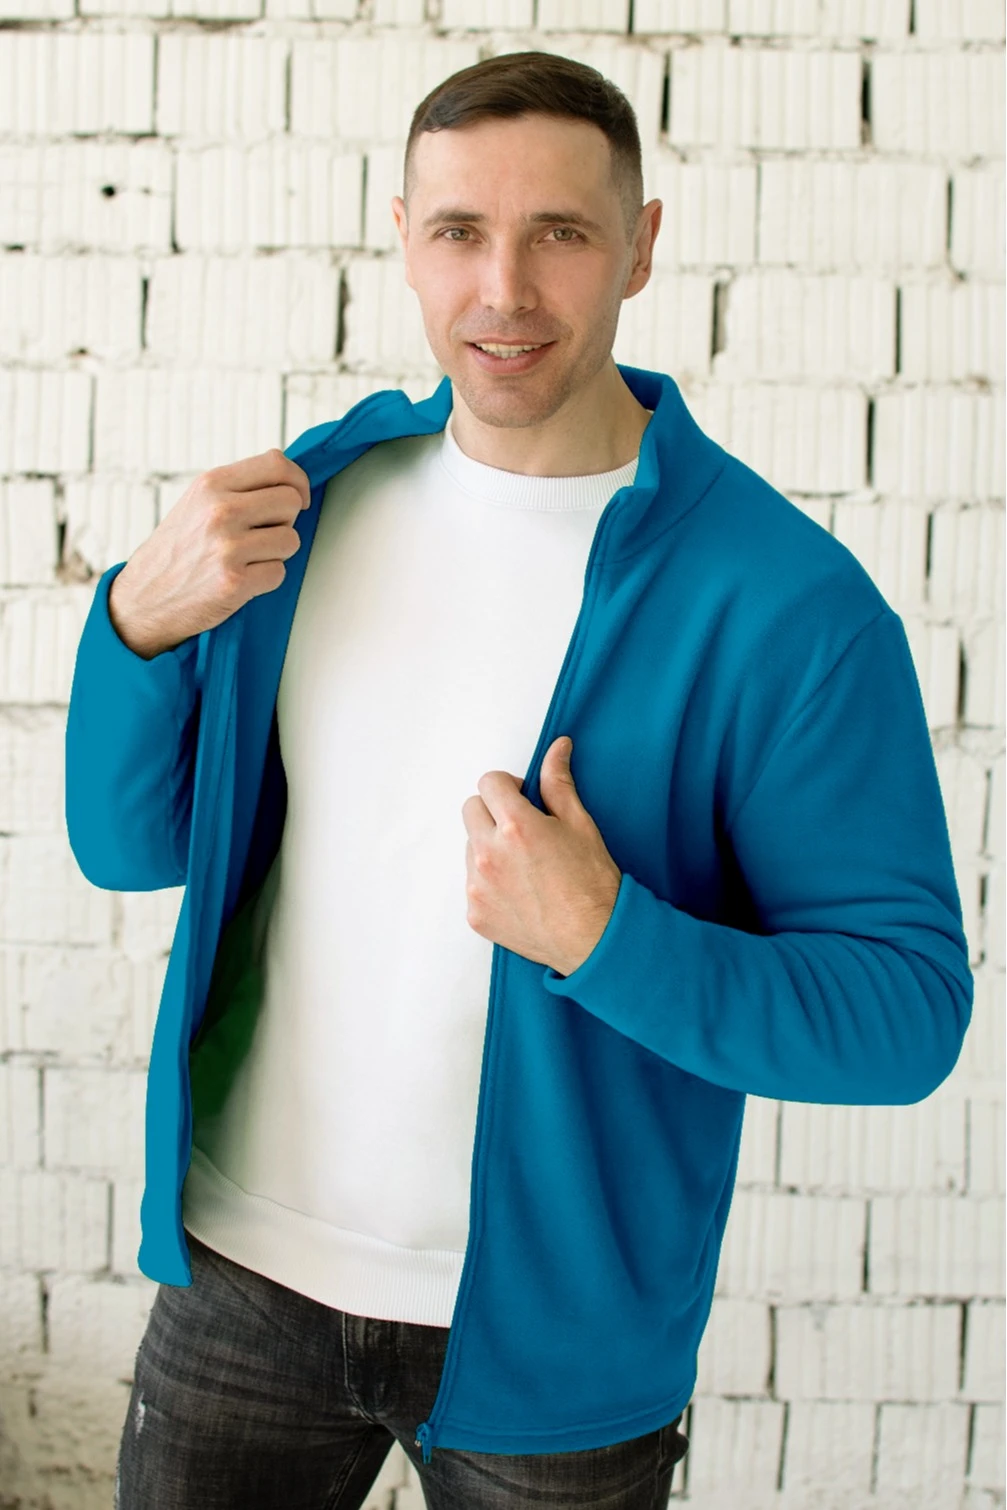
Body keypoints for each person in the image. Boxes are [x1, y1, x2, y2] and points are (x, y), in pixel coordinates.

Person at [63, 50, 973, 1510]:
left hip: (554, 1345)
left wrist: (607, 935)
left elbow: (904, 1017)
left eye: (560, 232)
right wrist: (134, 628)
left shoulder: (785, 605)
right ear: (402, 238)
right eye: (459, 231)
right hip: (239, 1280)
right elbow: (127, 847)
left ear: (641, 246)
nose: (504, 289)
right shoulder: (305, 508)